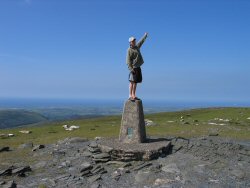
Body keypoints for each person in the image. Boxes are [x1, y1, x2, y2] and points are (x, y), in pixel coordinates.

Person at [126, 32, 148, 101]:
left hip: (138, 67)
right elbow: (128, 60)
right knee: (132, 82)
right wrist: (130, 68)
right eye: (133, 41)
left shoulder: (137, 47)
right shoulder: (129, 50)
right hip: (133, 67)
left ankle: (133, 95)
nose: (134, 41)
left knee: (135, 82)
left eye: (134, 40)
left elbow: (141, 42)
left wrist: (145, 36)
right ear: (130, 42)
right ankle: (130, 95)